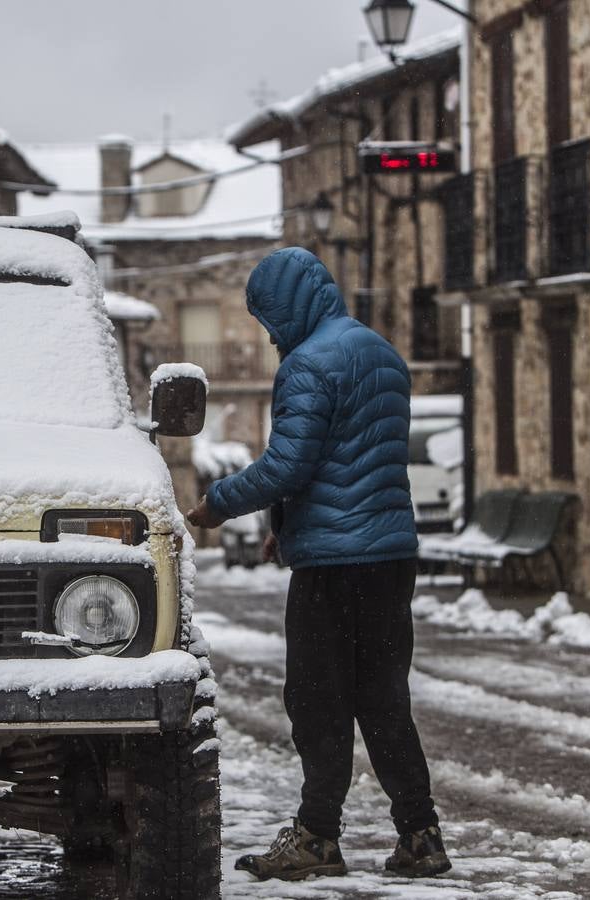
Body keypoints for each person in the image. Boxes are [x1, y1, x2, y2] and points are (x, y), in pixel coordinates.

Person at [186, 248, 450, 882]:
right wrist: (290, 528)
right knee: (384, 701)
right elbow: (349, 463)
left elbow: (290, 466)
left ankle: (316, 838)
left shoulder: (308, 364)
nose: (270, 333)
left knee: (317, 700)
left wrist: (215, 506)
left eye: (269, 317)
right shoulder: (381, 353)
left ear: (290, 307)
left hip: (335, 569)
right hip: (388, 556)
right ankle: (421, 835)